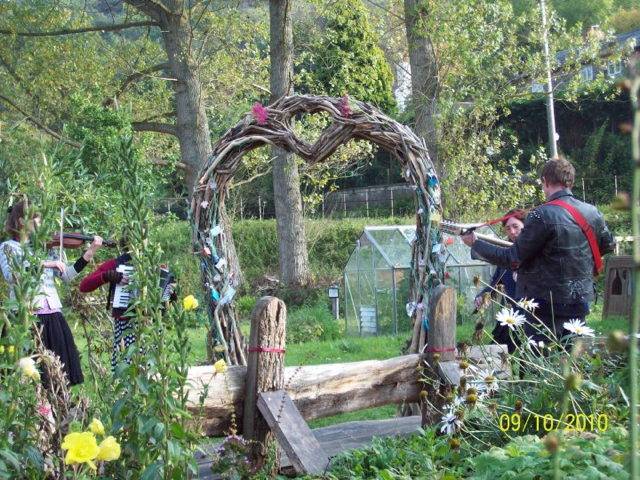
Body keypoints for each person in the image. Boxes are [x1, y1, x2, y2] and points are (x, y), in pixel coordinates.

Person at [462, 157, 615, 344]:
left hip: (542, 305)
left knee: (537, 365)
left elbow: (512, 258)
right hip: (579, 301)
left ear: (545, 181)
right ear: (571, 181)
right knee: (572, 365)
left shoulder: (540, 214)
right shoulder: (592, 212)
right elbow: (608, 245)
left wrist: (475, 243)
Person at [0, 200, 103, 386]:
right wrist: (45, 263)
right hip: (25, 316)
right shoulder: (9, 247)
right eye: (36, 220)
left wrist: (90, 252)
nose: (42, 225)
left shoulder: (48, 248)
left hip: (52, 314)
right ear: (22, 222)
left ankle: (57, 410)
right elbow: (11, 276)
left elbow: (67, 276)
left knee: (59, 375)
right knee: (26, 377)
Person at [79, 245, 175, 371]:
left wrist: (170, 292)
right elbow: (84, 286)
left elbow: (167, 295)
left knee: (154, 370)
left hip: (152, 327)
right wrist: (108, 276)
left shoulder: (154, 262)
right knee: (127, 369)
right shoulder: (116, 263)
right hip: (126, 326)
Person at [473, 209, 526, 352]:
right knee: (496, 353)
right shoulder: (505, 252)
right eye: (508, 228)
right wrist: (483, 296)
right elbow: (497, 281)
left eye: (516, 226)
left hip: (531, 313)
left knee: (529, 356)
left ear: (525, 225)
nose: (513, 232)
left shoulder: (534, 249)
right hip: (510, 313)